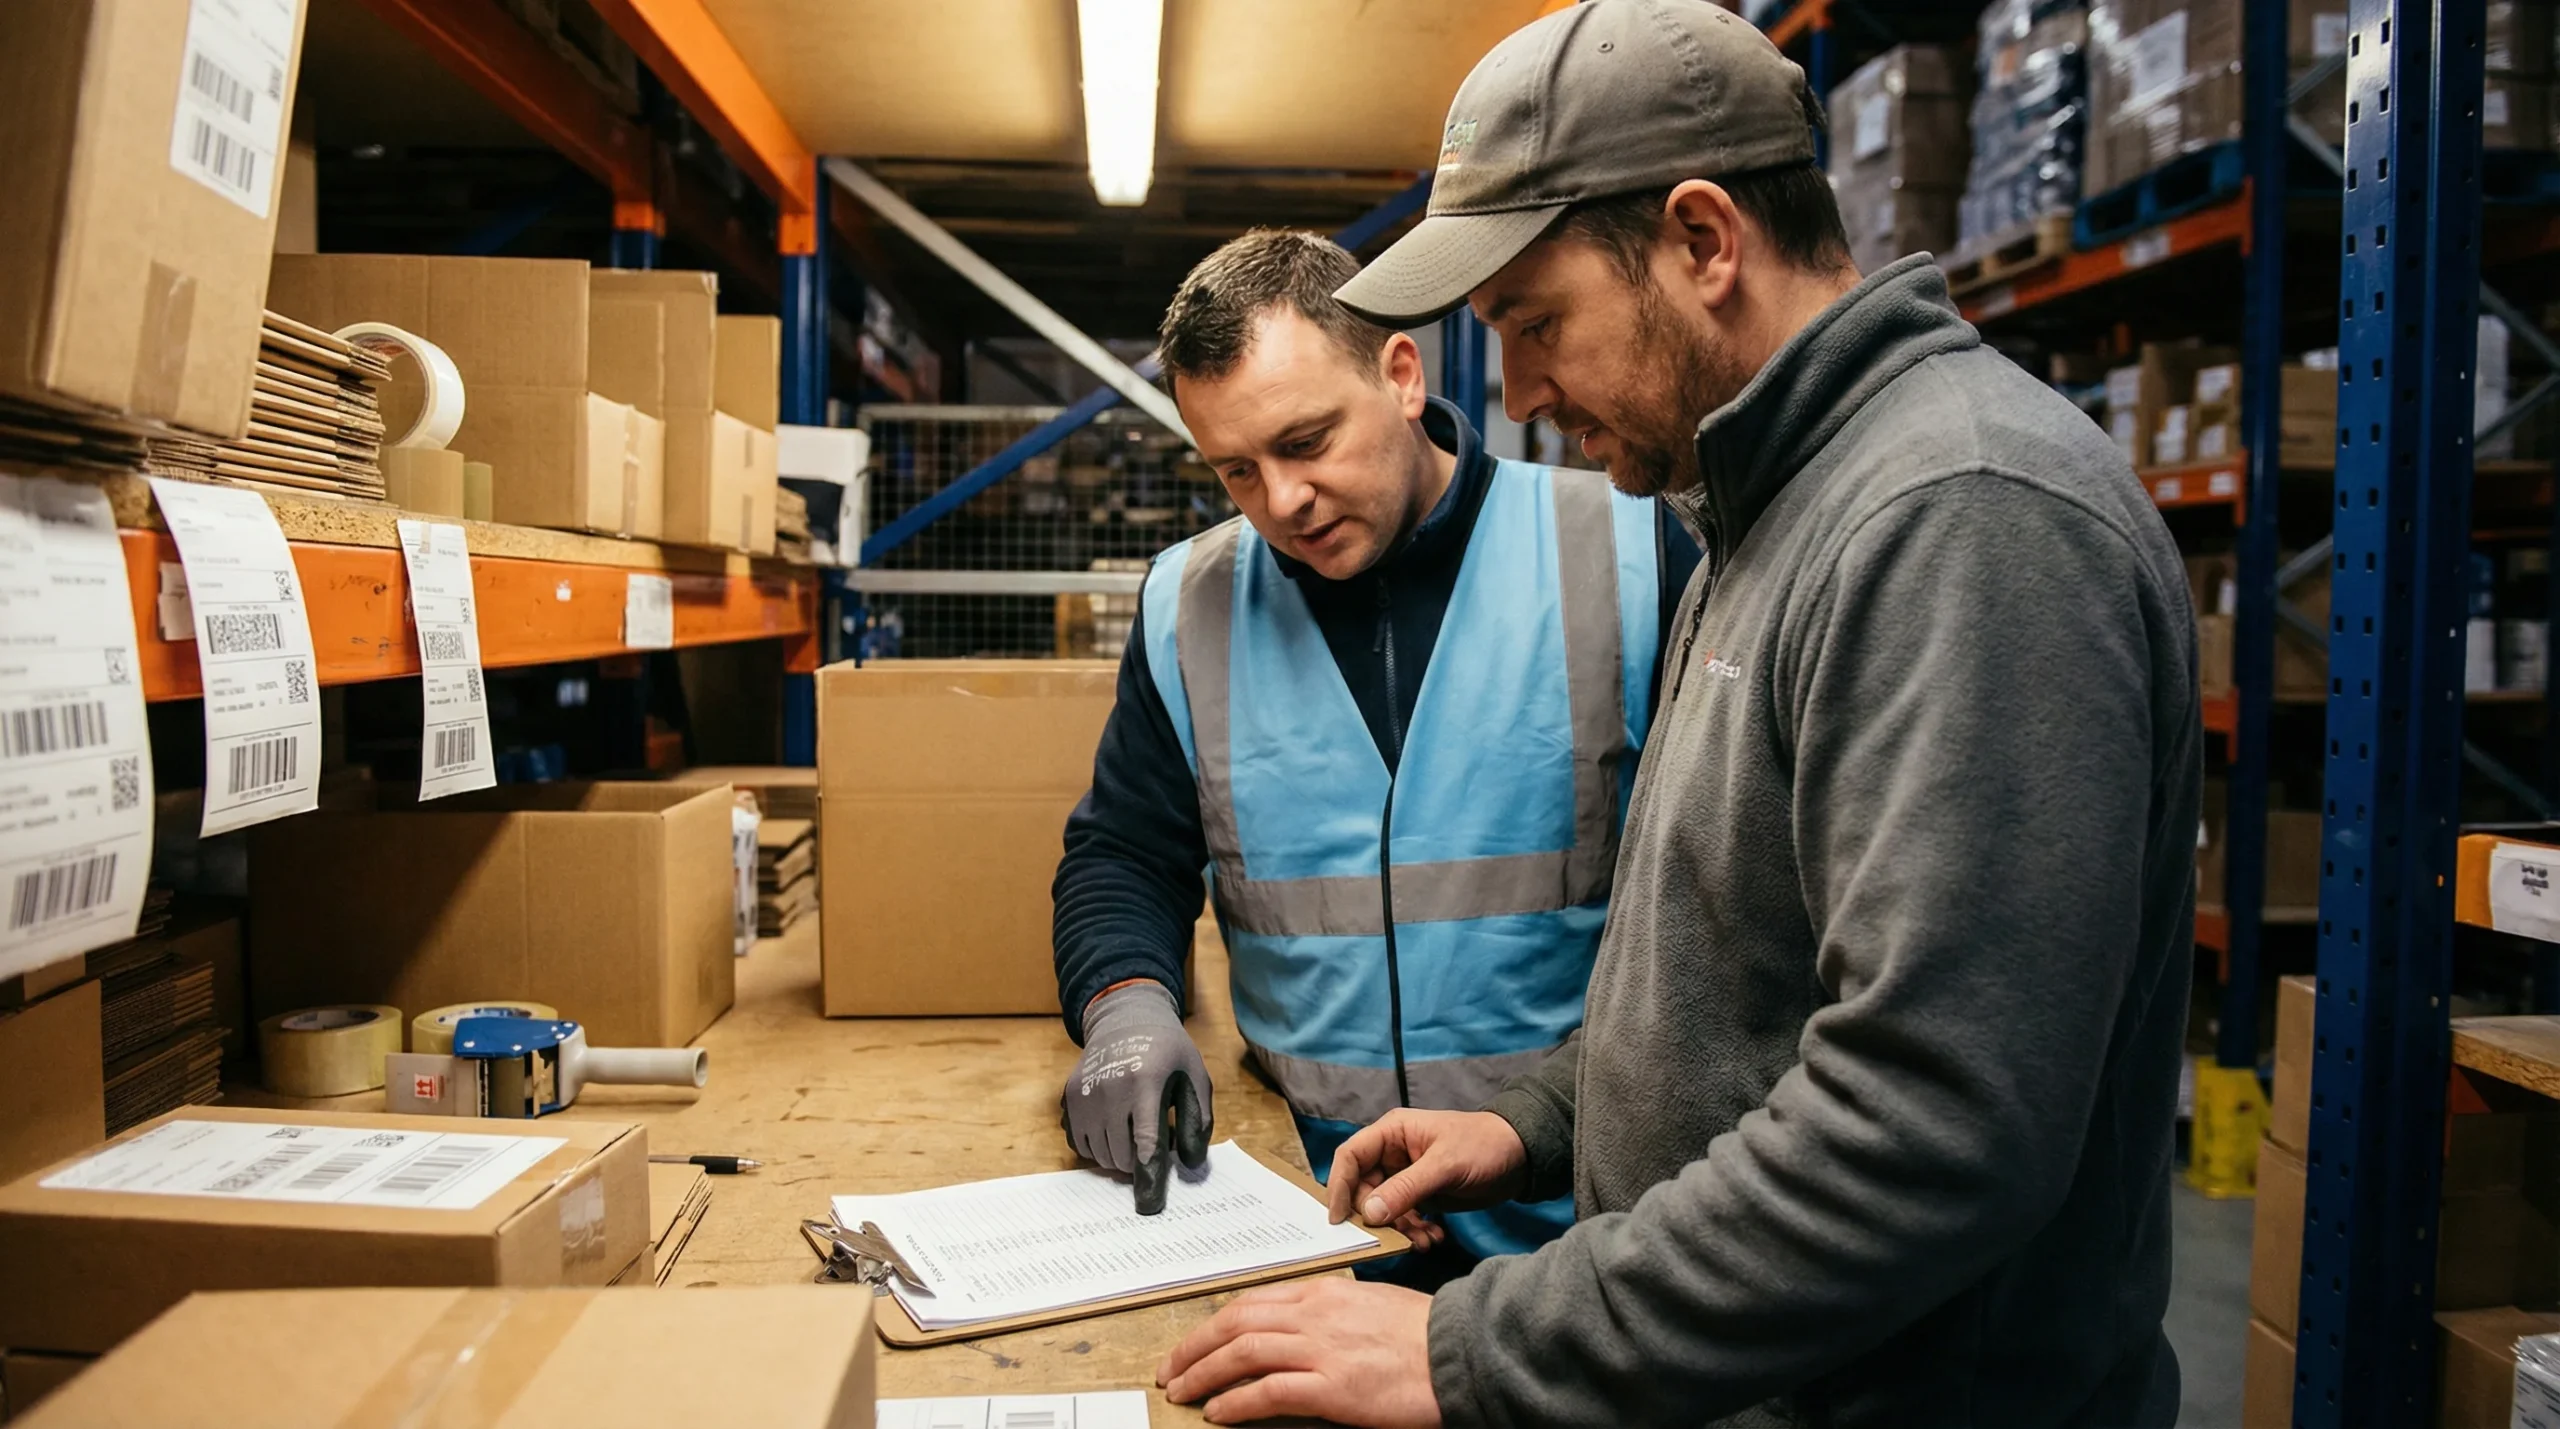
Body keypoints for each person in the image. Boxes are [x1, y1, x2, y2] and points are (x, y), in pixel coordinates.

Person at [1154, 3, 2200, 1426]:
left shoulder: (1958, 518)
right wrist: (1541, 1121)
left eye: (1535, 324)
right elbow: (1749, 975)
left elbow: (1930, 1130)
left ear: (1703, 242)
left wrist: (1471, 1351)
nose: (1515, 391)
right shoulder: (1764, 512)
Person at [1052, 229, 1698, 1270]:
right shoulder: (1190, 604)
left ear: (1400, 374)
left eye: (1305, 441)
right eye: (1236, 471)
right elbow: (1126, 852)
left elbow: (1727, 904)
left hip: (1587, 1222)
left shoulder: (1633, 549)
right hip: (1308, 1219)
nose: (1281, 502)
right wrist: (1125, 1006)